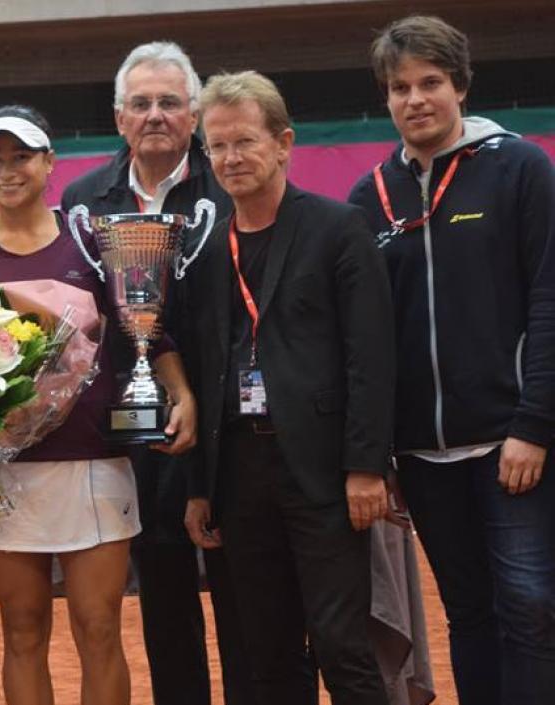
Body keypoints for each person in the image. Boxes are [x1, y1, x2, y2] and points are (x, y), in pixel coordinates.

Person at [0, 104, 195, 705]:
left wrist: (181, 391)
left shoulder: (91, 243)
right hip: (3, 471)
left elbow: (147, 330)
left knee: (98, 628)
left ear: (49, 164)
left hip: (93, 460)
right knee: (23, 630)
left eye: (22, 157)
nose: (8, 171)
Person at [347, 15, 555, 704]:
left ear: (460, 85)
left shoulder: (520, 169)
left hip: (510, 445)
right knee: (467, 611)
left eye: (430, 82)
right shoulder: (370, 197)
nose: (415, 99)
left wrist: (534, 424)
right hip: (424, 455)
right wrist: (379, 451)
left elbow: (549, 301)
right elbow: (367, 341)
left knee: (529, 605)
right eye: (398, 86)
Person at [180, 71, 394, 705]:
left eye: (244, 141)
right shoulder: (208, 248)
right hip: (239, 474)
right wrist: (199, 485)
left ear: (284, 143)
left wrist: (365, 467)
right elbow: (204, 366)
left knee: (341, 646)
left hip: (325, 472)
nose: (230, 158)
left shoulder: (338, 228)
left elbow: (371, 358)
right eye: (216, 146)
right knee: (267, 654)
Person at [59, 41, 252, 705]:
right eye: (140, 103)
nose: (155, 114)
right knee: (164, 597)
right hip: (133, 424)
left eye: (170, 102)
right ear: (119, 118)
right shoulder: (84, 200)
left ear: (195, 115)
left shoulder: (230, 183)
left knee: (247, 598)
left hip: (230, 421)